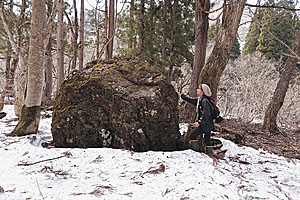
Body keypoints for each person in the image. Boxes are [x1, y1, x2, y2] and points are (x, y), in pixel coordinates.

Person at [177, 84, 215, 155]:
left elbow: (206, 114)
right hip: (208, 124)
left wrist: (199, 123)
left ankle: (196, 153)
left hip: (205, 124)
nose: (197, 90)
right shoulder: (201, 100)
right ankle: (210, 153)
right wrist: (181, 95)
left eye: (199, 89)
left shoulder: (205, 101)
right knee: (207, 139)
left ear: (203, 91)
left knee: (192, 135)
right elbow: (192, 100)